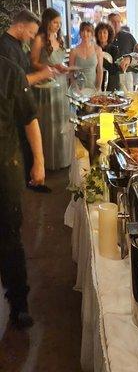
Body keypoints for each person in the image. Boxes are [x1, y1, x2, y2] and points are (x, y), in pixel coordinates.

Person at [0, 55, 45, 329]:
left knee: (9, 238)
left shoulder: (8, 70)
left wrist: (39, 161)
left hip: (4, 168)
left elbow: (30, 118)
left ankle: (19, 304)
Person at [0, 9, 53, 193]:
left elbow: (23, 74)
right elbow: (14, 83)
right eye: (30, 32)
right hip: (13, 118)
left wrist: (41, 73)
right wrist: (41, 75)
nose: (32, 37)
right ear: (20, 25)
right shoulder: (6, 48)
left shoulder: (16, 45)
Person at [31, 7, 72, 170]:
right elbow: (32, 62)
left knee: (62, 122)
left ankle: (63, 159)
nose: (57, 26)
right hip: (46, 85)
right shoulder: (39, 39)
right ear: (47, 21)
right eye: (55, 22)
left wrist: (65, 68)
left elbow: (62, 60)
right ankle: (46, 163)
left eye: (59, 23)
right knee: (48, 123)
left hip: (61, 84)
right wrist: (50, 66)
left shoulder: (59, 38)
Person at [69, 21, 103, 91]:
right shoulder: (74, 51)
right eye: (82, 31)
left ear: (92, 33)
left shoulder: (98, 49)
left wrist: (98, 87)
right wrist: (75, 87)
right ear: (80, 33)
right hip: (78, 89)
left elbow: (100, 70)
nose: (85, 34)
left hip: (94, 88)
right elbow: (71, 72)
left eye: (88, 31)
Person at [108, 12, 137, 91]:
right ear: (108, 23)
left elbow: (137, 54)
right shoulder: (105, 38)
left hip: (127, 75)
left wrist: (134, 71)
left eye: (118, 22)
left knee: (128, 99)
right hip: (111, 78)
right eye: (113, 22)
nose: (116, 24)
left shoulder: (128, 37)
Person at [95, 21, 120, 91]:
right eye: (100, 33)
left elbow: (115, 69)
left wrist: (100, 58)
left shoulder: (114, 50)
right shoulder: (93, 49)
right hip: (96, 83)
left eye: (104, 32)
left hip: (111, 84)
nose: (102, 35)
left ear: (109, 34)